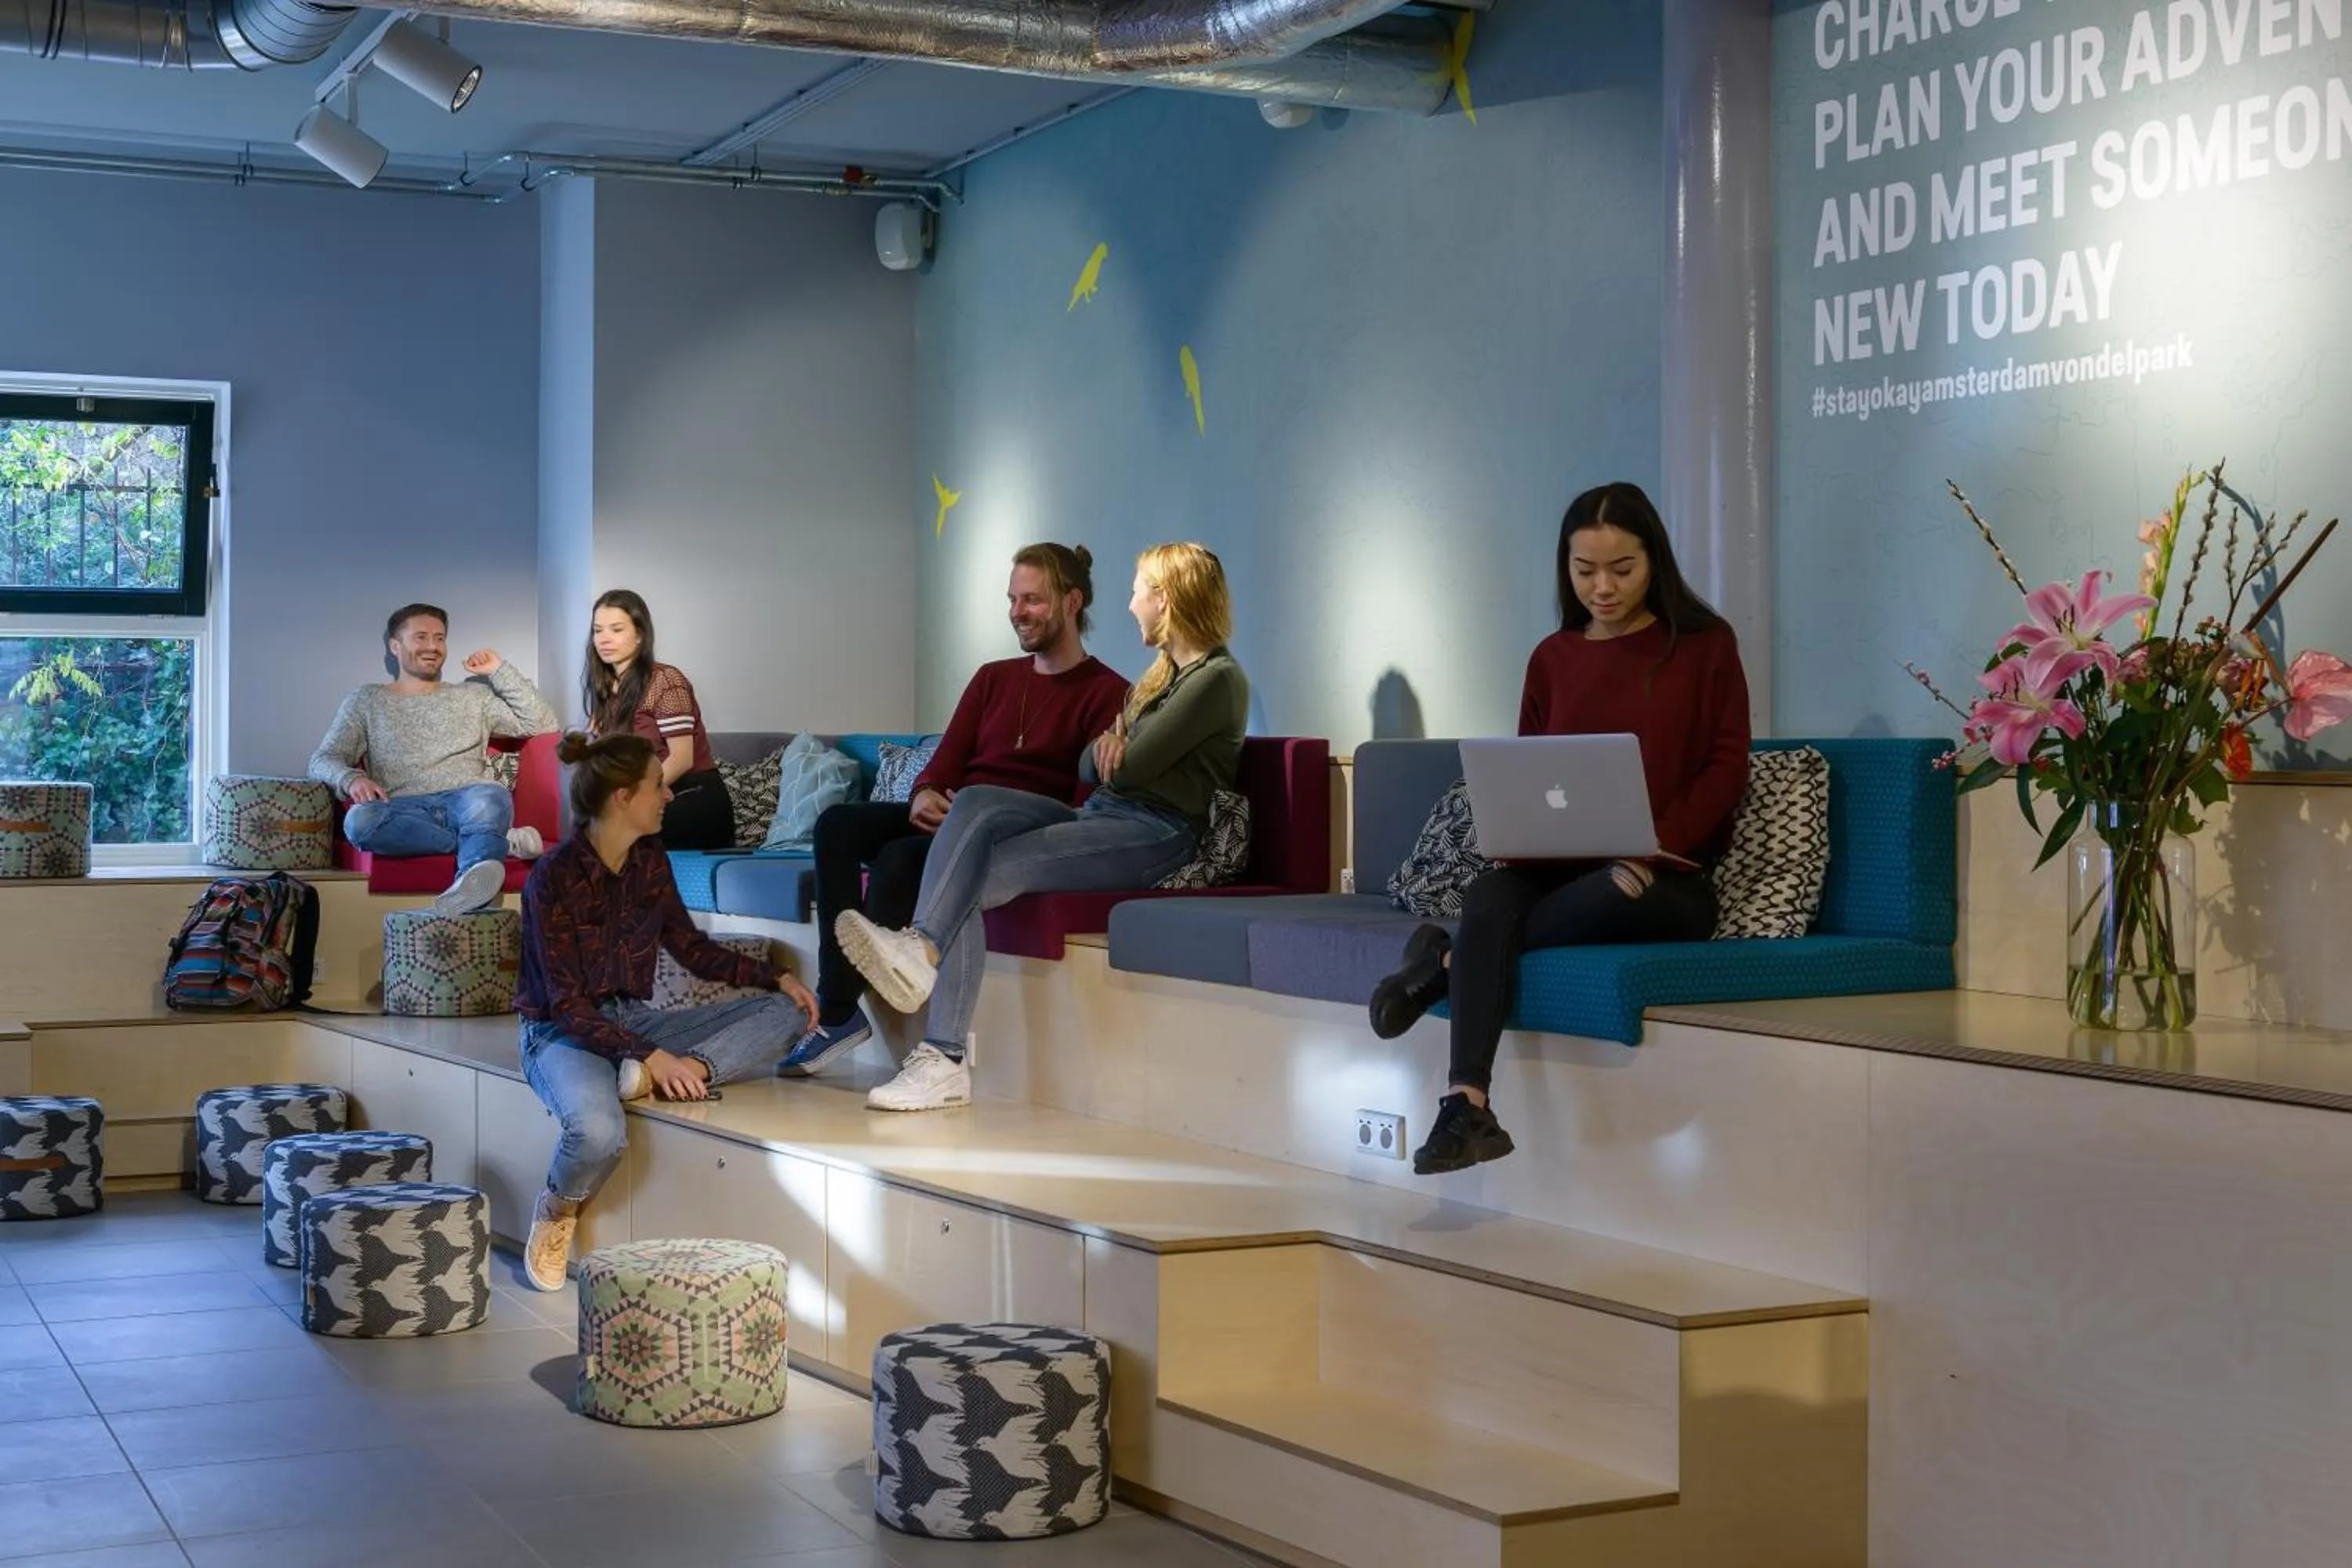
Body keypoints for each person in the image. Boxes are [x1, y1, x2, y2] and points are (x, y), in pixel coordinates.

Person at [1369, 482, 1751, 1176]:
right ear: (1566, 568)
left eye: (1622, 569)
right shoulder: (1553, 656)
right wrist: (1520, 831)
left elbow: (1727, 769)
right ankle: (1467, 1103)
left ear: (1654, 562)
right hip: (1556, 868)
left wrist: (1656, 841)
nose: (1602, 587)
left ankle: (1445, 965)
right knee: (1489, 895)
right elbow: (1532, 769)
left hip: (1665, 879)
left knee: (1614, 888)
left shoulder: (1703, 646)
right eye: (1585, 572)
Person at [836, 543, 1247, 1113]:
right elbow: (1090, 764)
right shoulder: (1160, 679)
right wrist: (1109, 747)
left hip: (1160, 835)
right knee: (975, 801)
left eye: (1138, 591)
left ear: (1167, 599)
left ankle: (941, 1048)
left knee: (969, 883)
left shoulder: (1216, 679)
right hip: (1103, 815)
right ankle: (923, 962)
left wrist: (1117, 745)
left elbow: (1134, 764)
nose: (1129, 606)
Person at [776, 543, 1130, 1079]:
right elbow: (944, 764)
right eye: (1012, 599)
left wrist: (973, 811)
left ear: (1071, 601)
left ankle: (863, 998)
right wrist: (924, 794)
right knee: (838, 825)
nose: (1017, 611)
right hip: (954, 814)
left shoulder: (1108, 693)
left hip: (1007, 831)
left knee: (899, 859)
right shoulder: (994, 678)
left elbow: (1080, 807)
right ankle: (841, 1010)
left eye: (1032, 600)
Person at [512, 731, 818, 1291]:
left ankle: (676, 1072)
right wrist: (651, 1053)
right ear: (623, 797)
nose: (670, 797)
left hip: (632, 1020)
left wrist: (774, 976)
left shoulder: (649, 860)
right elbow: (567, 1005)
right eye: (658, 786)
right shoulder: (552, 878)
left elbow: (690, 947)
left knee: (788, 1014)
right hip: (560, 1035)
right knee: (599, 1135)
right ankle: (557, 1211)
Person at [309, 602, 559, 916]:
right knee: (359, 822)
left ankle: (475, 871)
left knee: (490, 795)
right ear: (395, 646)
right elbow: (323, 759)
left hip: (470, 800)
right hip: (402, 809)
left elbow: (542, 722)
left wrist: (498, 669)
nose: (432, 647)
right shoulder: (366, 700)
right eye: (421, 637)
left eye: (440, 638)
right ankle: (498, 842)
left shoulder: (473, 697)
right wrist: (353, 778)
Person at [583, 589, 731, 851]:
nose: (604, 639)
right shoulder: (607, 693)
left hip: (693, 795)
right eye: (598, 630)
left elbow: (682, 758)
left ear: (640, 635)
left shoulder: (665, 680)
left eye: (616, 630)